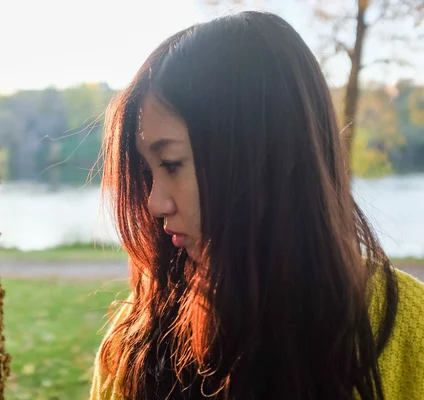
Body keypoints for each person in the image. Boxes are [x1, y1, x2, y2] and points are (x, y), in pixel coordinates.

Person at [89, 11, 424, 400]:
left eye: (172, 165)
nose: (154, 203)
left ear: (267, 157)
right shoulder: (137, 335)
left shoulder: (405, 326)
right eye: (149, 171)